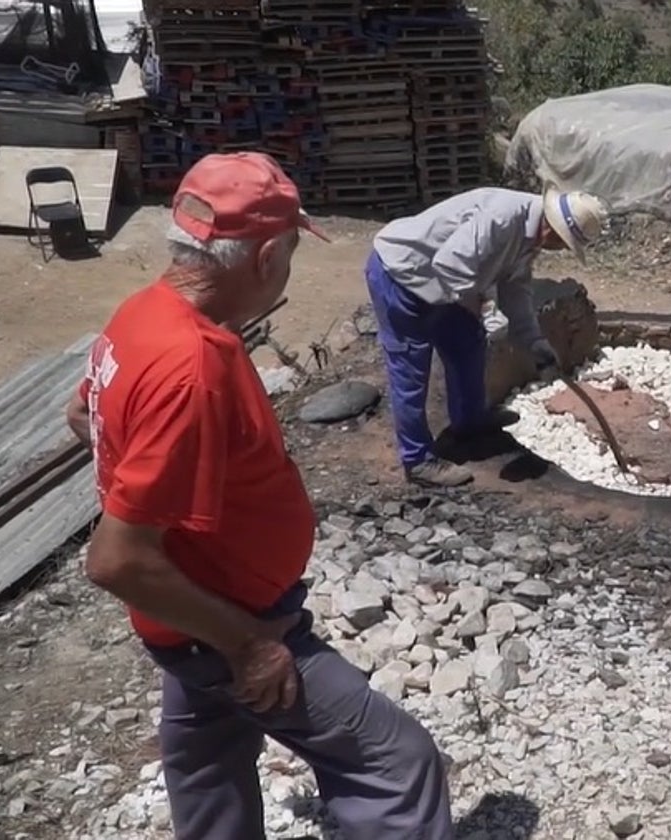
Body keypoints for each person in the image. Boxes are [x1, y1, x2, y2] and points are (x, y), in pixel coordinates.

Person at [64, 152, 454, 840]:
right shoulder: (189, 367)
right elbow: (115, 560)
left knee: (207, 765)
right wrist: (247, 647)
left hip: (189, 619)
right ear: (267, 255)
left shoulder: (141, 314)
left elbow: (84, 414)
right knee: (397, 765)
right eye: (294, 252)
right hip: (225, 624)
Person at [366, 185, 608, 487]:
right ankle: (417, 461)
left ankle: (470, 424)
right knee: (410, 369)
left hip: (447, 286)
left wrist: (534, 341)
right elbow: (449, 265)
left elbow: (515, 287)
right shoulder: (502, 218)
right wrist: (488, 311)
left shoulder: (530, 235)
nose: (560, 250)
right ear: (553, 231)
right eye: (563, 244)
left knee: (469, 345)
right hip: (403, 275)